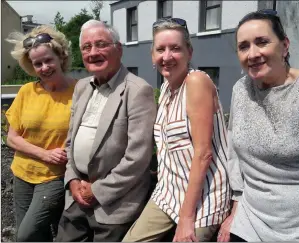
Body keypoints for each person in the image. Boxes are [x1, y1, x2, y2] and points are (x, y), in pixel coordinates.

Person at [218, 9, 299, 242]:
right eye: (244, 46)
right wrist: (235, 210)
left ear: (284, 46)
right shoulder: (241, 90)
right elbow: (236, 154)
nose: (252, 54)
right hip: (252, 225)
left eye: (262, 42)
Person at [123, 17, 231, 242]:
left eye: (175, 49)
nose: (167, 56)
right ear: (152, 55)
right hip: (168, 192)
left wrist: (186, 217)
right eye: (160, 49)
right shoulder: (165, 89)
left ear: (189, 52)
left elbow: (203, 154)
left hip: (203, 199)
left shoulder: (196, 82)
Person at [55, 20, 157, 242]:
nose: (93, 53)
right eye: (86, 47)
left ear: (118, 49)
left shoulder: (138, 91)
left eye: (101, 44)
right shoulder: (81, 87)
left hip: (115, 204)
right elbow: (70, 141)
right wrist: (72, 180)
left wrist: (97, 191)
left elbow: (138, 158)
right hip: (76, 196)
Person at [5, 25, 77, 241]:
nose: (44, 67)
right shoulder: (27, 92)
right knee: (37, 237)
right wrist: (44, 154)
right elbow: (11, 137)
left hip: (54, 176)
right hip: (22, 173)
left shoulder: (81, 90)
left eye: (49, 60)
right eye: (38, 64)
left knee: (25, 235)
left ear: (61, 57)